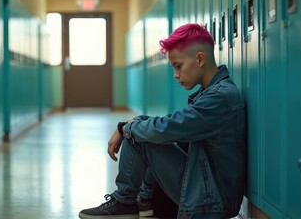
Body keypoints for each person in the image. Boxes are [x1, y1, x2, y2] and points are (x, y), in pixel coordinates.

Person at [78, 23, 247, 219]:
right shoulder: (211, 93)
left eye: (178, 66)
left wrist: (126, 128)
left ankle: (126, 201)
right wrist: (128, 126)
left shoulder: (219, 98)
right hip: (206, 189)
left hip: (212, 201)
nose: (176, 75)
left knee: (137, 132)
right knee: (140, 126)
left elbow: (167, 128)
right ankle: (143, 201)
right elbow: (167, 126)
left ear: (200, 58)